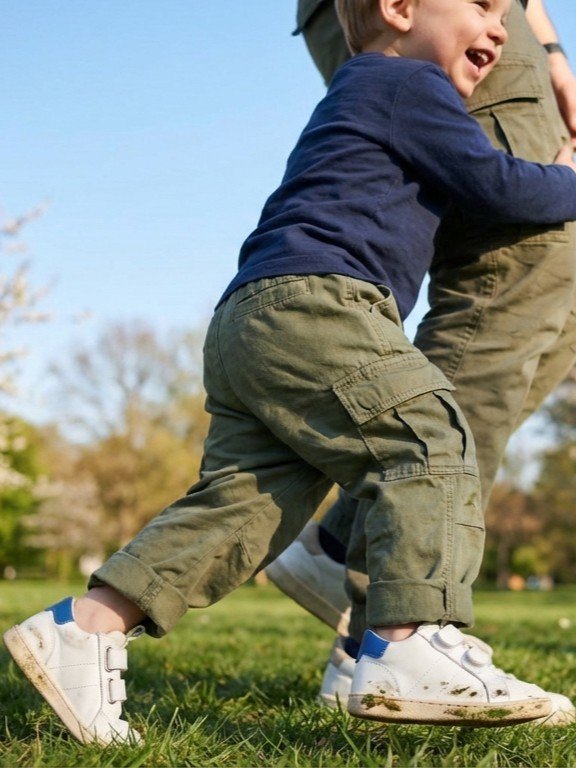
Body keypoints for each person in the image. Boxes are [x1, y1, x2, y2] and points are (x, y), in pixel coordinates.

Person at [5, 0, 576, 745]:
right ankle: (404, 644)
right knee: (431, 437)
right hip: (321, 304)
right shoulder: (409, 85)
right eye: (479, 4)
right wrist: (565, 174)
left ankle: (84, 628)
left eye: (508, 12)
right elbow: (496, 184)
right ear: (400, 9)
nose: (502, 27)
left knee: (247, 507)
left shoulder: (371, 88)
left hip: (258, 319)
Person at [266, 0, 576, 723]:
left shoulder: (493, 22)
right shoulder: (418, 42)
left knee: (554, 300)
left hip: (509, 28)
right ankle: (404, 630)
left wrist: (552, 49)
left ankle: (353, 547)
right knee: (519, 264)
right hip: (440, 13)